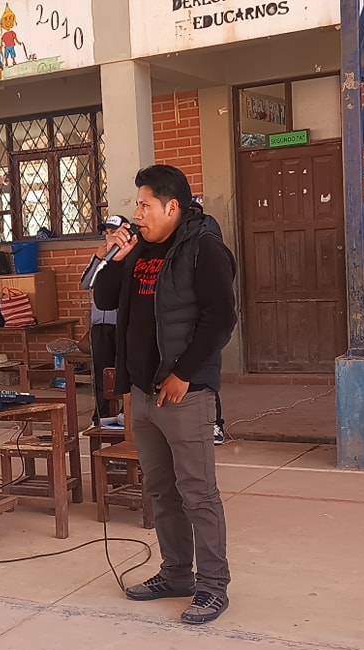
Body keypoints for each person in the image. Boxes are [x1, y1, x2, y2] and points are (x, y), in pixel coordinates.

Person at [92, 164, 237, 624]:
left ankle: (213, 586)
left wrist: (185, 374)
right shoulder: (139, 250)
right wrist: (114, 257)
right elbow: (105, 301)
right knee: (160, 490)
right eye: (136, 204)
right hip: (143, 392)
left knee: (198, 492)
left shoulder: (205, 250)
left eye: (145, 205)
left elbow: (220, 318)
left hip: (183, 394)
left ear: (172, 206)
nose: (137, 213)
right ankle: (176, 573)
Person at [80, 216, 124, 425]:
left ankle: (126, 413)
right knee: (101, 372)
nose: (109, 236)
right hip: (101, 326)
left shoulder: (128, 256)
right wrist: (98, 257)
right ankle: (102, 415)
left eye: (113, 231)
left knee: (124, 369)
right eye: (106, 232)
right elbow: (86, 283)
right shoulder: (99, 256)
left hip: (122, 323)